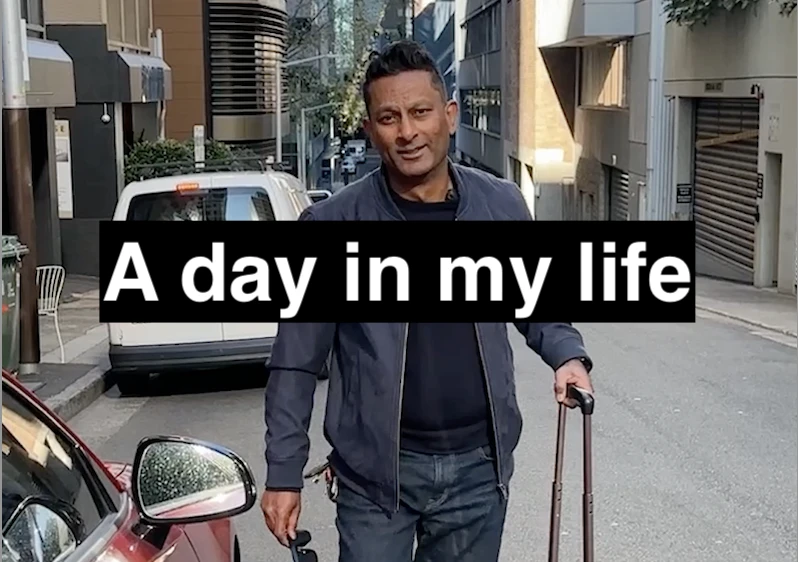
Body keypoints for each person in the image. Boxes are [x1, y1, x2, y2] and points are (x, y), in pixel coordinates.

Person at [261, 39, 595, 562]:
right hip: (374, 478)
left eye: (420, 112)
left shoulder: (501, 205)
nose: (407, 132)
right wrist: (283, 473)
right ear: (370, 129)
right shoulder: (331, 224)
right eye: (388, 118)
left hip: (478, 471)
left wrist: (567, 355)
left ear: (450, 115)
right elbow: (295, 361)